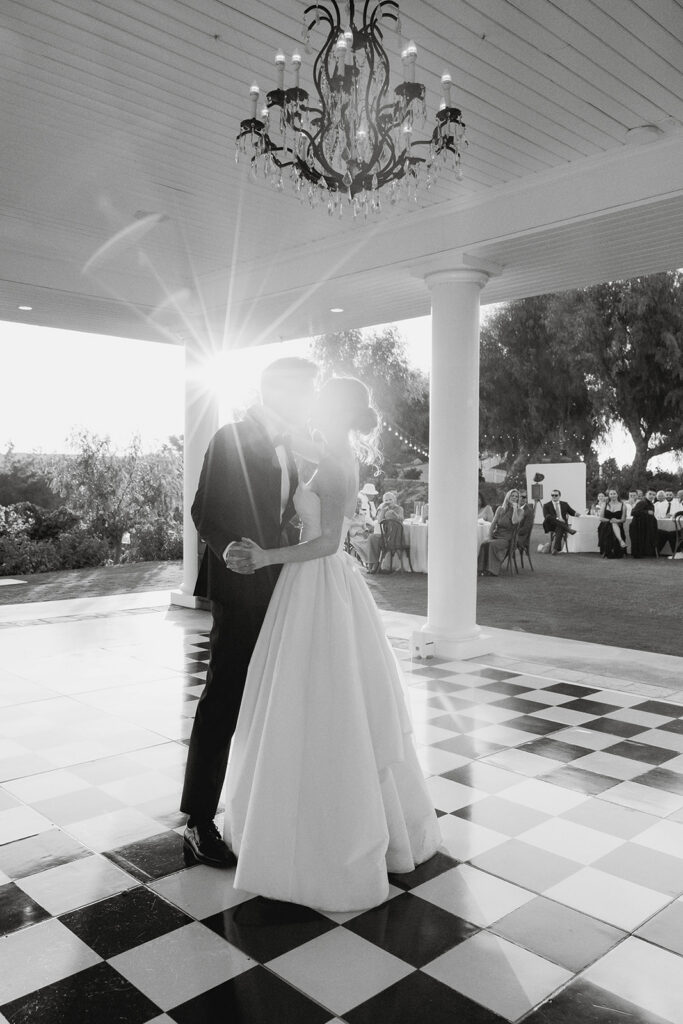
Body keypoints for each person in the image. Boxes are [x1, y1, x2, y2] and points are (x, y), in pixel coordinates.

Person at [222, 377, 441, 912]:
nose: (311, 405)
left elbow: (325, 543)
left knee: (327, 697)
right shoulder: (331, 452)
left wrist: (265, 556)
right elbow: (290, 440)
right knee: (304, 694)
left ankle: (333, 839)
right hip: (312, 588)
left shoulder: (339, 464)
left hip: (319, 580)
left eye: (318, 400)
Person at [180, 357, 318, 867]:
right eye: (307, 391)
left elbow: (283, 515)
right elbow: (202, 509)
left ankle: (263, 809)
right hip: (240, 590)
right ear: (281, 391)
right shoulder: (232, 436)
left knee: (271, 698)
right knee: (224, 699)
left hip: (281, 586)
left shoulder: (296, 445)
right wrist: (230, 551)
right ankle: (198, 821)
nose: (311, 400)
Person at [478, 488, 523, 576]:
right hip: (496, 535)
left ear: (518, 499)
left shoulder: (520, 511)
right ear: (508, 497)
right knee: (484, 544)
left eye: (516, 497)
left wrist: (514, 509)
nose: (514, 498)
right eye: (512, 496)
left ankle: (491, 570)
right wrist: (489, 536)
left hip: (507, 539)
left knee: (492, 545)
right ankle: (481, 569)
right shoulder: (500, 509)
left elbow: (514, 521)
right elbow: (493, 524)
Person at [542, 488, 579, 554]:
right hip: (551, 525)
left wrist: (580, 515)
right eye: (552, 495)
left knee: (560, 528)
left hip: (561, 525)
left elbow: (572, 512)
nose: (554, 497)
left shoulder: (565, 504)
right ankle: (568, 529)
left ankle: (555, 549)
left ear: (559, 496)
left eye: (556, 495)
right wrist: (558, 519)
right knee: (548, 516)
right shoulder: (546, 505)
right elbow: (546, 516)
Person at [598, 488, 628, 558]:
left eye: (614, 493)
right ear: (608, 495)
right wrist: (610, 521)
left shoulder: (623, 505)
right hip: (605, 524)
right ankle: (621, 541)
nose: (613, 495)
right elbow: (601, 518)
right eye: (611, 494)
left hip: (618, 524)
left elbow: (623, 520)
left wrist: (617, 521)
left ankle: (614, 549)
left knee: (614, 524)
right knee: (611, 525)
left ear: (617, 495)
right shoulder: (605, 504)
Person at [629, 489, 659, 558]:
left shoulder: (651, 504)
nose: (652, 496)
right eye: (650, 494)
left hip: (642, 527)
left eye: (654, 495)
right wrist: (646, 512)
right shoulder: (642, 502)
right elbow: (633, 512)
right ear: (646, 494)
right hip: (637, 527)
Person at [655, 489, 681, 555]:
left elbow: (681, 515)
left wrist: (674, 516)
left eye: (670, 495)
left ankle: (676, 553)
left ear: (673, 495)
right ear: (665, 495)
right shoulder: (660, 504)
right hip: (663, 526)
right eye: (667, 495)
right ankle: (657, 552)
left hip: (675, 526)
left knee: (673, 534)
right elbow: (657, 516)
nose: (669, 496)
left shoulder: (678, 504)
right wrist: (665, 517)